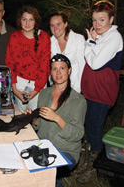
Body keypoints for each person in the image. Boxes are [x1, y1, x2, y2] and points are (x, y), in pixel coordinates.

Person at [76, 0, 123, 184]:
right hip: (91, 92)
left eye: (102, 20)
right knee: (89, 129)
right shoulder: (102, 37)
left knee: (94, 131)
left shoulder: (114, 37)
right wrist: (94, 42)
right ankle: (91, 160)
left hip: (101, 94)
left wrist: (90, 42)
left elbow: (95, 63)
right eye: (94, 20)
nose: (97, 24)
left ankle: (96, 167)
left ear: (111, 19)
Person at [25, 54, 87, 187]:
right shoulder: (44, 93)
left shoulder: (78, 101)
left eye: (62, 68)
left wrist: (57, 118)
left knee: (41, 174)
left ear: (69, 70)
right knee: (24, 167)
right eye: (54, 69)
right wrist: (32, 118)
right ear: (50, 72)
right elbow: (40, 124)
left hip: (66, 151)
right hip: (43, 147)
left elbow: (77, 134)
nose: (58, 72)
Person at [5, 5, 51, 112]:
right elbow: (10, 63)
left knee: (34, 117)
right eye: (24, 19)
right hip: (18, 83)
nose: (27, 23)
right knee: (21, 117)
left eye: (31, 20)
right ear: (19, 21)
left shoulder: (43, 37)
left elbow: (45, 65)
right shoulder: (14, 37)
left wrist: (37, 89)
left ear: (36, 21)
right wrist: (15, 89)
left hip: (38, 84)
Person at [49, 12, 85, 93]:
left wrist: (77, 89)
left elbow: (82, 66)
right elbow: (51, 66)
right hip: (57, 87)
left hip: (75, 86)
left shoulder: (78, 39)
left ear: (65, 24)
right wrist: (52, 83)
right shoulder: (50, 42)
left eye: (58, 24)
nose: (55, 28)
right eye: (52, 25)